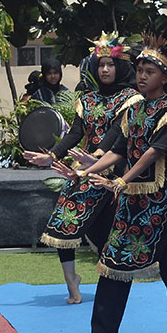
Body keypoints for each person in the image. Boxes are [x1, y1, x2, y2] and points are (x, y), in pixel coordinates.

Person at [63, 33, 167, 333]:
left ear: (165, 77)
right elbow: (118, 151)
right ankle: (103, 331)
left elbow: (154, 152)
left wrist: (122, 181)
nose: (141, 76)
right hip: (134, 200)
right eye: (139, 70)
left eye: (148, 72)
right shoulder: (134, 111)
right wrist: (85, 172)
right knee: (114, 261)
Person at [25, 32, 142, 304]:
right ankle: (72, 284)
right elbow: (75, 134)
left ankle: (113, 283)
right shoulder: (86, 99)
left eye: (109, 65)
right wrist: (51, 156)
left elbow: (116, 134)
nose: (104, 69)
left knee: (103, 232)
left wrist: (98, 158)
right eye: (100, 65)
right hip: (82, 172)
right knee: (62, 225)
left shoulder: (131, 98)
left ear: (120, 67)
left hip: (113, 172)